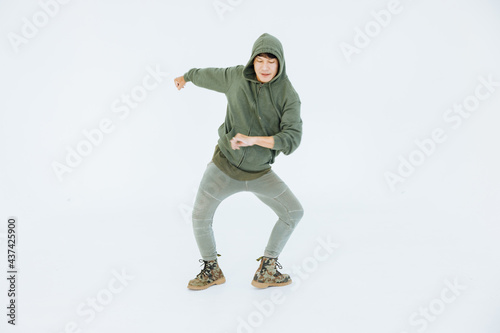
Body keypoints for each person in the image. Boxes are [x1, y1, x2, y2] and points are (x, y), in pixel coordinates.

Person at [174, 33, 304, 290]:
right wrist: (186, 76)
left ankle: (267, 269)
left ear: (280, 64)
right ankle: (211, 270)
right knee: (200, 216)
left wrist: (254, 140)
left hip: (259, 173)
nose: (265, 67)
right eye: (259, 60)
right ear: (252, 62)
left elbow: (292, 139)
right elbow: (207, 75)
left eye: (271, 61)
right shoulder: (235, 78)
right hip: (224, 166)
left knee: (293, 212)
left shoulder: (288, 95)